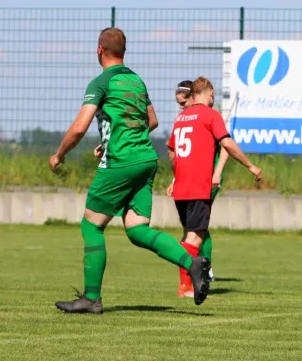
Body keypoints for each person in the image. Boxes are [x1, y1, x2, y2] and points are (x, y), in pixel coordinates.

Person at [49, 28, 208, 312]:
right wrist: (113, 140)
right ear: (124, 51)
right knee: (136, 230)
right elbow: (152, 120)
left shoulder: (101, 83)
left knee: (91, 225)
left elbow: (79, 127)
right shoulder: (136, 81)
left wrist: (59, 154)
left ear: (99, 50)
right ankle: (192, 262)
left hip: (121, 163)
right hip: (146, 160)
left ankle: (91, 298)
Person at [167, 76, 261, 304]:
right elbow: (227, 144)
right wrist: (250, 165)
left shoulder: (180, 118)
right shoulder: (211, 115)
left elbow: (172, 152)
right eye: (213, 95)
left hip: (181, 187)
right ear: (208, 93)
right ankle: (187, 285)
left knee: (190, 235)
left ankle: (188, 283)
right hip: (199, 187)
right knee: (194, 238)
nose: (213, 98)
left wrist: (177, 175)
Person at [167, 81, 230, 298]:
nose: (182, 108)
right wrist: (176, 177)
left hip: (204, 182)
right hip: (189, 182)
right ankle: (196, 273)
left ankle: (202, 270)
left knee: (196, 232)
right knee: (195, 232)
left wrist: (217, 172)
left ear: (193, 97)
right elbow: (179, 155)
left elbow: (225, 148)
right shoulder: (190, 119)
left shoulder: (206, 117)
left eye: (184, 103)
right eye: (179, 104)